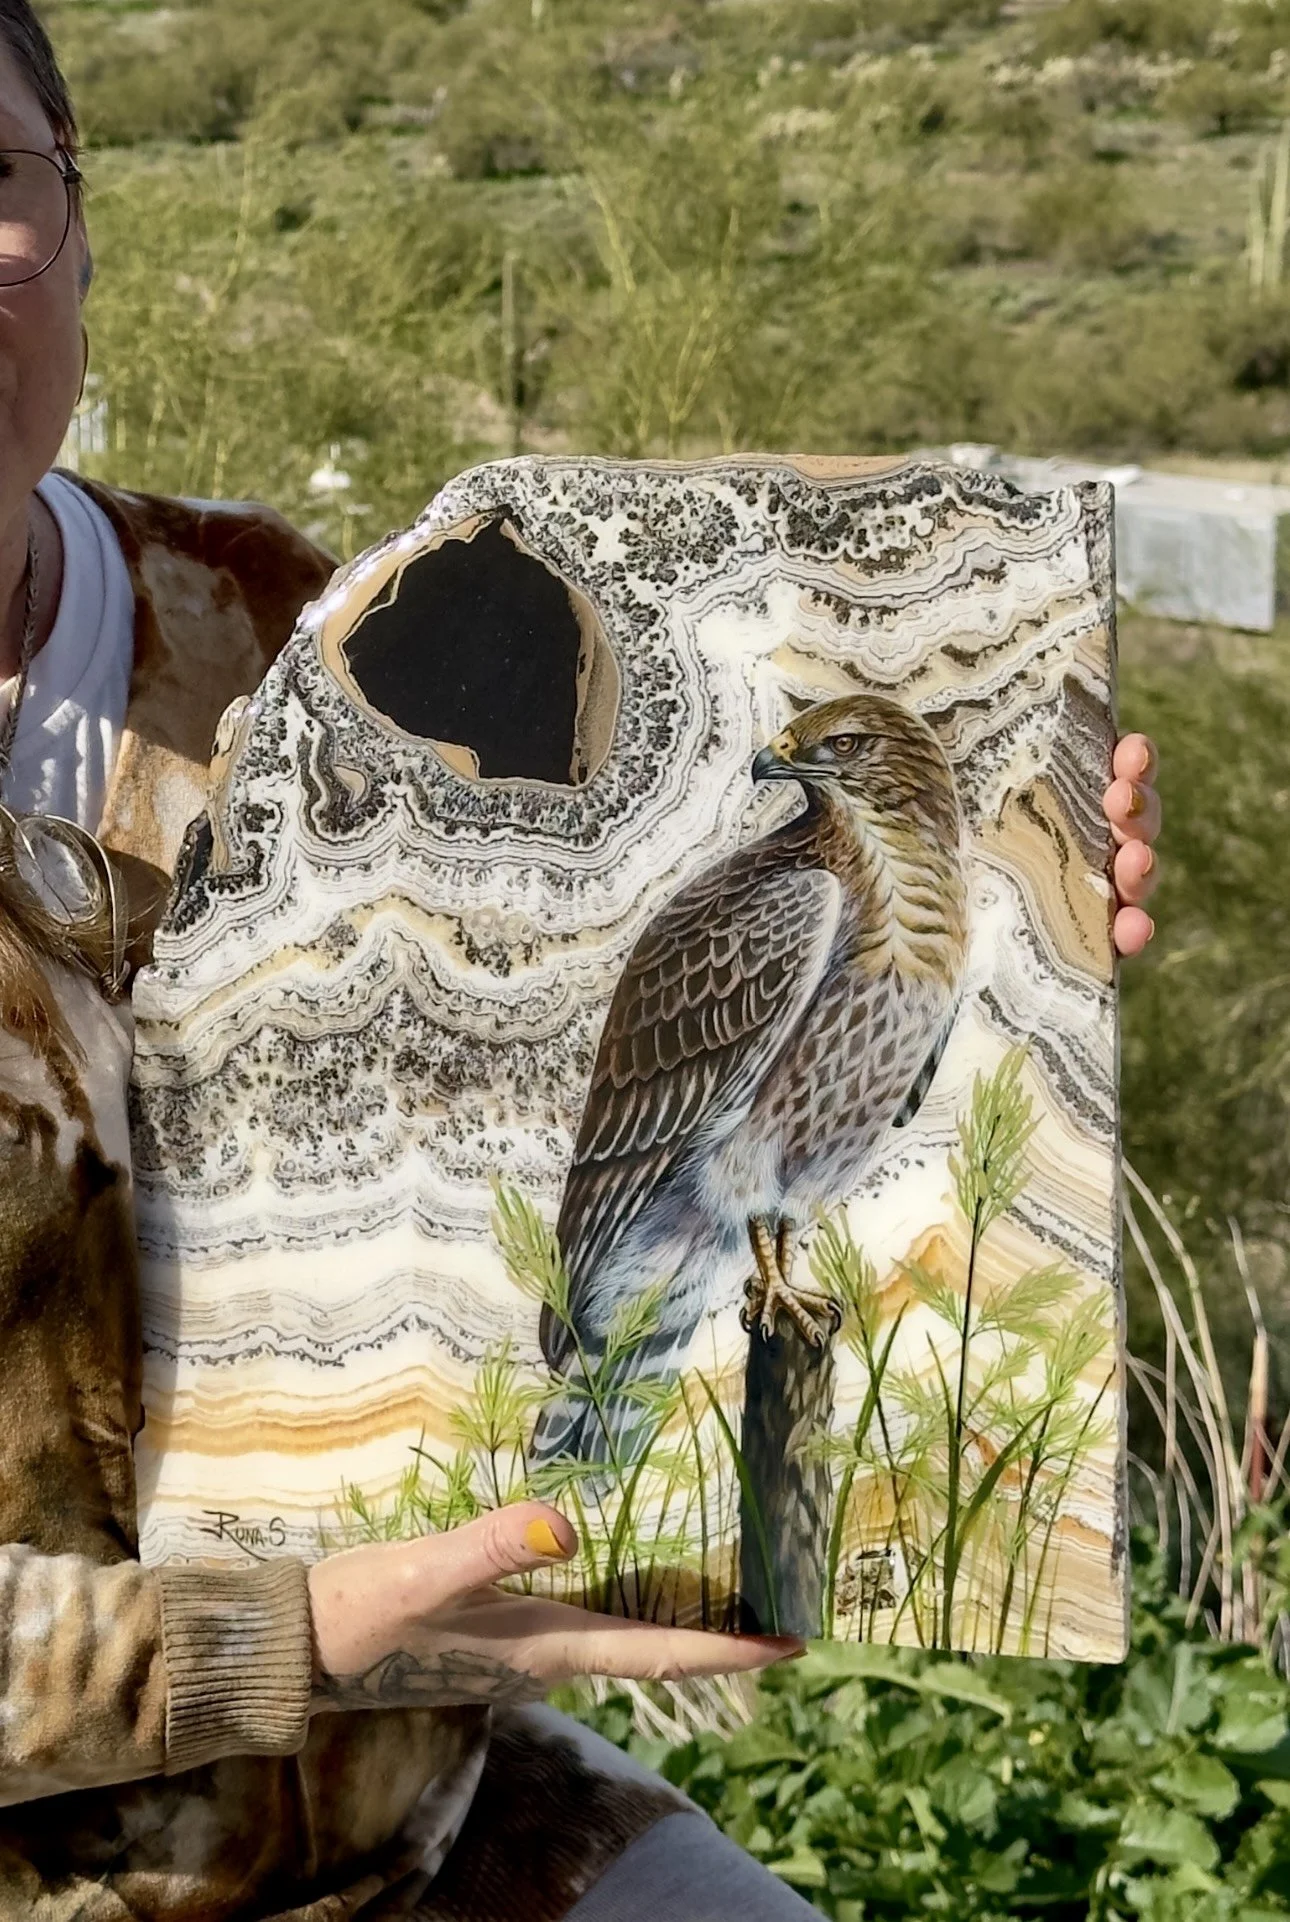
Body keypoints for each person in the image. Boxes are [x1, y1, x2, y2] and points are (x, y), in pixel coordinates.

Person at [0, 6, 1162, 1917]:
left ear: (85, 233)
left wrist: (1025, 943)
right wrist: (314, 1628)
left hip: (414, 1806)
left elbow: (552, 1098)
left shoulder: (305, 635)